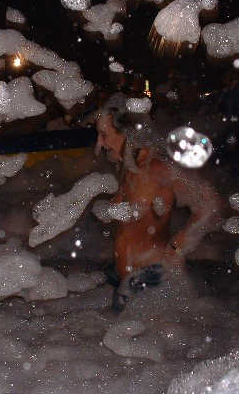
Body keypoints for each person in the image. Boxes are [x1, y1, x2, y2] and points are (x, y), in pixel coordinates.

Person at [95, 102, 223, 306]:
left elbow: (211, 203)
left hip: (151, 280)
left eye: (104, 134)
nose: (100, 143)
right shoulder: (129, 169)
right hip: (128, 282)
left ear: (127, 133)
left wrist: (178, 246)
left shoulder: (156, 167)